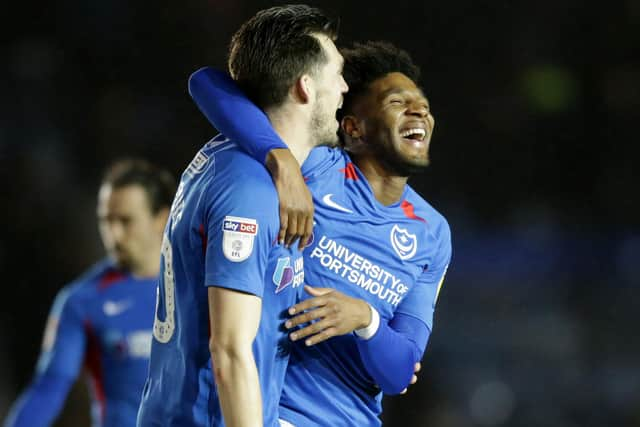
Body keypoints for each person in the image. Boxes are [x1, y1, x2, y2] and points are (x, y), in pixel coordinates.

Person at [188, 40, 451, 426]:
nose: (420, 109)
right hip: (277, 414)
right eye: (397, 102)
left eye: (421, 102)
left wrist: (366, 320)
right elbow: (205, 83)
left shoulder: (433, 232)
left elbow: (399, 373)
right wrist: (278, 158)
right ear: (354, 127)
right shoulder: (315, 167)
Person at [136, 5, 348, 427]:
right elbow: (230, 352)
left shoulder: (224, 154)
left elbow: (205, 81)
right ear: (305, 87)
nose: (345, 87)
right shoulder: (249, 192)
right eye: (337, 73)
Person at [4, 159, 175, 427]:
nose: (113, 234)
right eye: (106, 221)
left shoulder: (200, 288)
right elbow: (48, 389)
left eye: (125, 221)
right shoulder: (83, 300)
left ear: (161, 218)